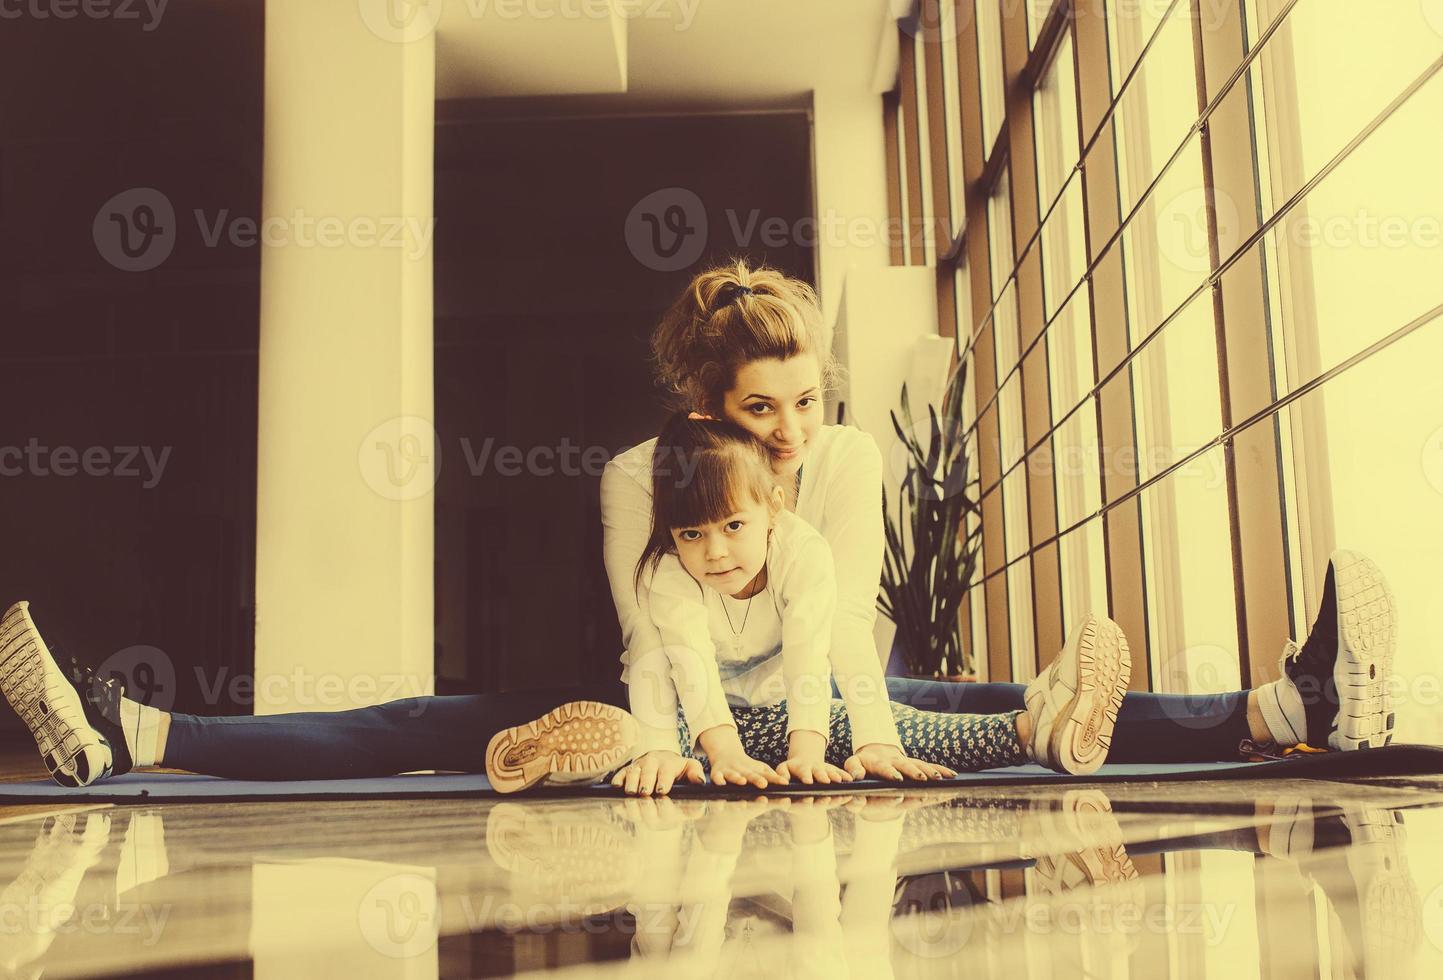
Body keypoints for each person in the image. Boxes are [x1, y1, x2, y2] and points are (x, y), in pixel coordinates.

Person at [0, 260, 1396, 793]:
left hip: (820, 684)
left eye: (802, 398)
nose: (787, 429)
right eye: (756, 405)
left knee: (957, 697)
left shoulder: (841, 462)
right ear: (697, 402)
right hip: (664, 688)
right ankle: (134, 735)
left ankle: (1281, 701)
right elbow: (647, 624)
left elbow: (841, 627)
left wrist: (832, 736)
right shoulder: (635, 476)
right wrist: (678, 741)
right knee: (420, 716)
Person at [611, 411, 1131, 797]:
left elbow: (808, 655)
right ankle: (553, 754)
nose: (715, 551)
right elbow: (687, 662)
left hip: (778, 713)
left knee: (889, 730)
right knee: (641, 744)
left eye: (733, 526)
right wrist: (722, 753)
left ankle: (1034, 729)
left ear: (771, 506)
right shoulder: (668, 571)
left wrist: (806, 756)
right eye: (692, 533)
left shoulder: (803, 552)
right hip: (689, 718)